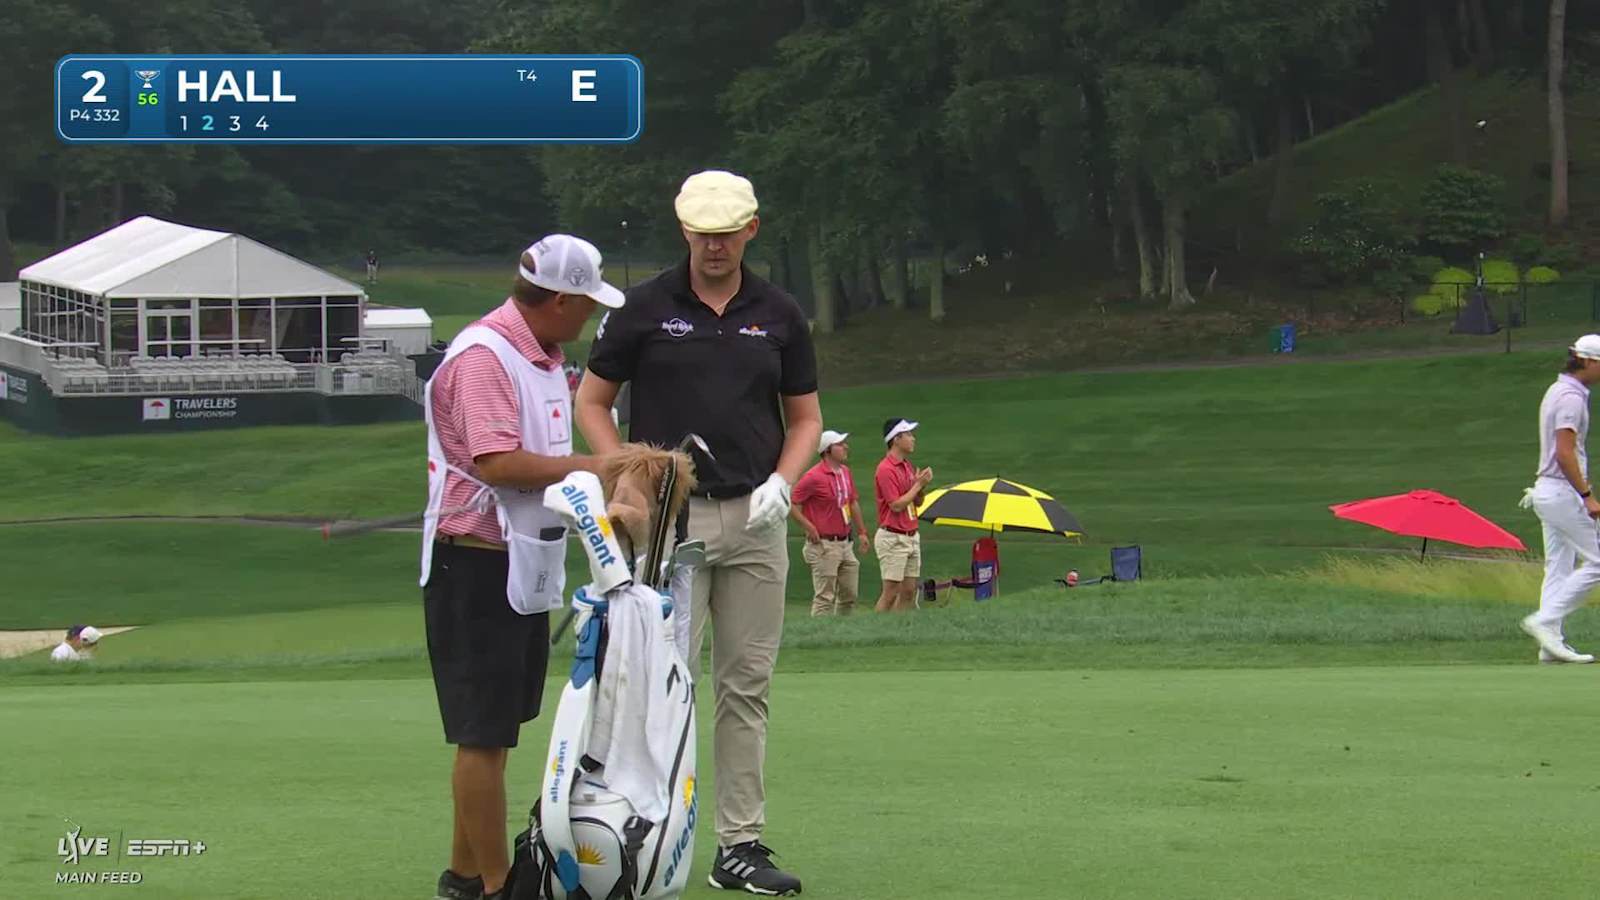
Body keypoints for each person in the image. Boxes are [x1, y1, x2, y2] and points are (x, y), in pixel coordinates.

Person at [574, 169, 820, 896]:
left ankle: (738, 844)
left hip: (756, 517)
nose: (714, 246)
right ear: (684, 231)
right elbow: (593, 400)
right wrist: (624, 471)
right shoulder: (645, 307)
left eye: (727, 232)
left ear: (751, 230)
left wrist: (784, 481)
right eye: (701, 233)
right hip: (667, 521)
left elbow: (803, 416)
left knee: (746, 685)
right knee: (659, 680)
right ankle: (645, 832)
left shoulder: (777, 313)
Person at [422, 234, 623, 900]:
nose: (590, 316)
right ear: (561, 300)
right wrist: (597, 467)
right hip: (474, 561)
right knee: (481, 734)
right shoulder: (487, 356)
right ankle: (496, 885)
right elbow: (498, 462)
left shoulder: (541, 357)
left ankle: (462, 875)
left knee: (498, 729)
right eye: (587, 303)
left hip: (517, 559)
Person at [1520, 334, 1600, 664]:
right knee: (1598, 563)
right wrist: (1588, 496)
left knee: (1559, 566)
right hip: (1563, 492)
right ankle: (1544, 620)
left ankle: (1550, 644)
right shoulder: (1570, 398)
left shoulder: (1560, 389)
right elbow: (1564, 453)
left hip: (1549, 491)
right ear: (1588, 361)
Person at [791, 429, 870, 617]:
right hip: (824, 545)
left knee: (850, 594)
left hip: (845, 542)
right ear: (827, 450)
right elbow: (791, 503)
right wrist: (808, 526)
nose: (845, 447)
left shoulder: (845, 472)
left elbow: (852, 502)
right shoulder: (813, 477)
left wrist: (862, 532)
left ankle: (841, 632)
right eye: (840, 444)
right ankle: (817, 637)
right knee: (825, 597)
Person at [874, 418, 932, 613]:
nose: (913, 439)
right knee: (890, 592)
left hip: (910, 534)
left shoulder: (906, 466)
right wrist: (918, 485)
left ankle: (895, 629)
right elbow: (896, 505)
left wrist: (920, 486)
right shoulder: (885, 469)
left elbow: (917, 502)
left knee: (908, 590)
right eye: (908, 435)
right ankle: (875, 631)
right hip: (893, 536)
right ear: (896, 439)